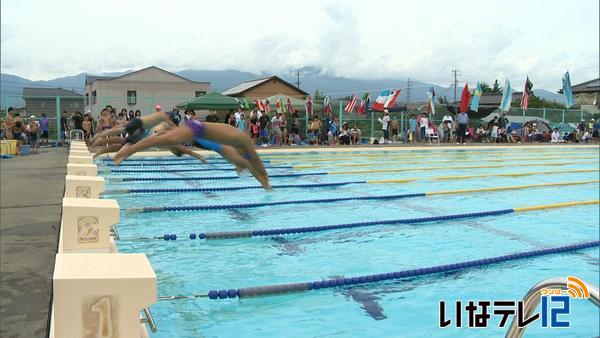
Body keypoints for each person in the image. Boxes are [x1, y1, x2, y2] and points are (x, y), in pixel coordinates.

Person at [112, 119, 271, 190]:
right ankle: (125, 152)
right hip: (197, 129)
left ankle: (129, 150)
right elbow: (257, 164)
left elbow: (254, 165)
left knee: (163, 139)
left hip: (196, 127)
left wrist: (262, 178)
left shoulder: (237, 143)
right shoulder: (243, 144)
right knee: (159, 141)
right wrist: (265, 183)